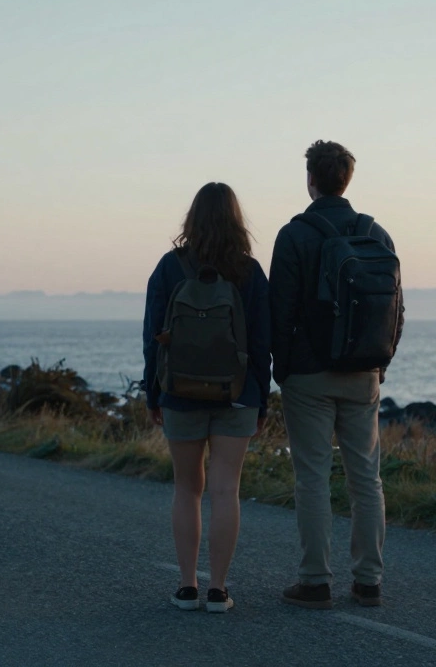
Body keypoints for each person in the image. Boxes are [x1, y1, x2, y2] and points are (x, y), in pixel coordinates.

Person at [270, 141, 405, 609]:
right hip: (363, 373)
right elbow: (396, 311)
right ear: (347, 179)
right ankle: (369, 581)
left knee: (312, 478)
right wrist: (379, 366)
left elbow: (279, 312)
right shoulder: (377, 234)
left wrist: (282, 369)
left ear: (311, 179)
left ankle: (315, 581)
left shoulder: (294, 235)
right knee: (366, 478)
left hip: (308, 376)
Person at [143, 182, 271, 614]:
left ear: (191, 218)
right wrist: (261, 400)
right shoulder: (249, 272)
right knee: (226, 490)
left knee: (187, 489)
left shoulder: (168, 267)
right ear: (237, 219)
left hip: (179, 393)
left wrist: (153, 394)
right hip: (238, 395)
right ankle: (218, 590)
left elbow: (152, 338)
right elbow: (262, 342)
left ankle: (186, 587)